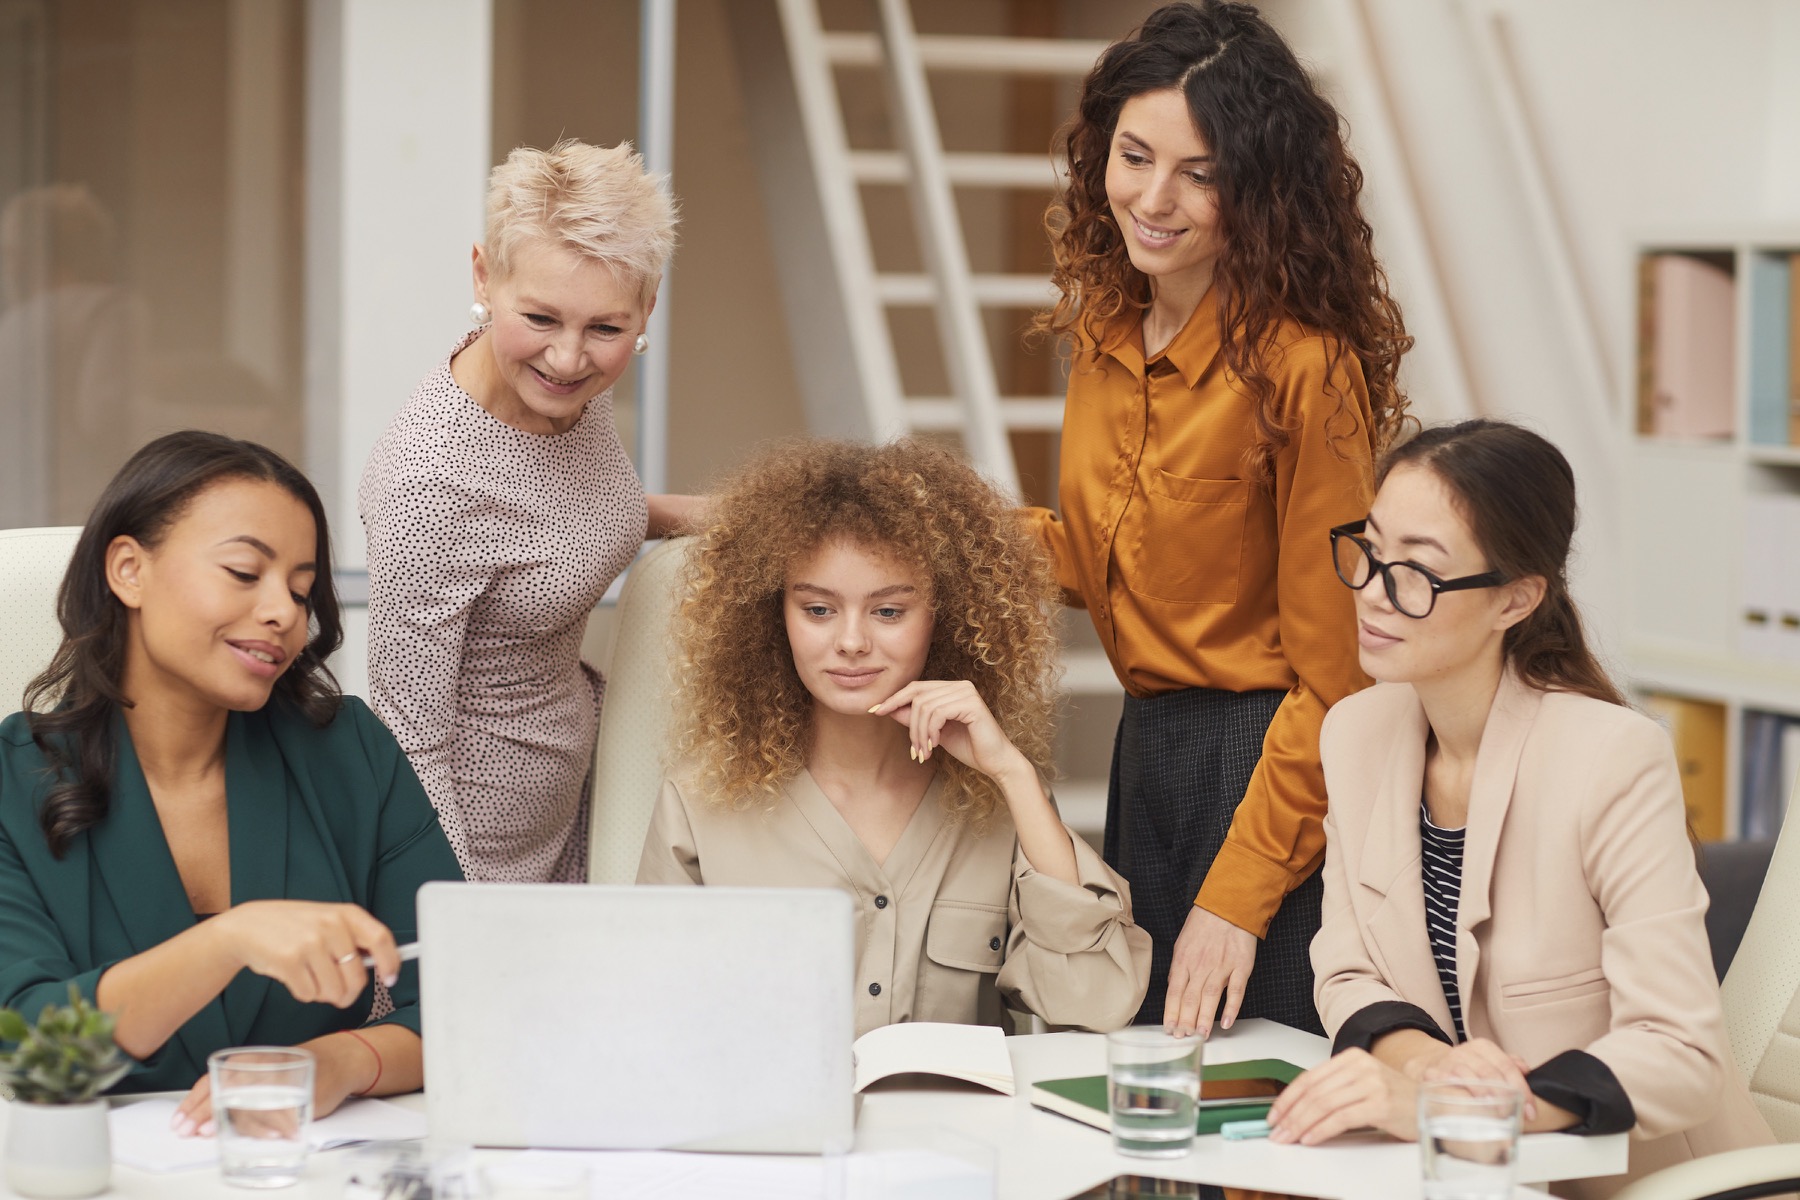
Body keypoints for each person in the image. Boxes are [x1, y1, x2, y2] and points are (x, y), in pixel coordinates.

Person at [1027, 0, 1411, 1035]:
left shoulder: (1303, 366)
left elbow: (1339, 674)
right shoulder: (1107, 331)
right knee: (1143, 1090)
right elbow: (1099, 559)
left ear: (1261, 186)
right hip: (1146, 753)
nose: (1154, 198)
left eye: (1199, 173)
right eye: (1134, 155)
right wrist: (895, 527)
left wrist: (1239, 899)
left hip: (1269, 770)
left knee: (1247, 1128)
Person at [1265, 420, 1773, 1193]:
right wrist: (1433, 1067)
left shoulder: (1611, 757)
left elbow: (1679, 1051)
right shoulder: (1356, 734)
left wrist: (1461, 1111)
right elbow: (1347, 970)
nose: (1372, 591)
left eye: (1417, 572)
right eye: (1368, 550)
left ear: (1515, 600)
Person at [0, 431, 462, 1130]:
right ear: (128, 570)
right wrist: (227, 942)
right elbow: (29, 1057)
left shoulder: (349, 750)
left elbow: (466, 1000)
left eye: (302, 590)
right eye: (245, 573)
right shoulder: (11, 777)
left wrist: (338, 1063)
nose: (284, 613)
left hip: (300, 1169)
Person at [637, 439, 1151, 1038]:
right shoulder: (700, 801)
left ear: (944, 616)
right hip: (776, 1132)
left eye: (888, 612)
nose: (852, 642)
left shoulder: (1001, 802)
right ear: (775, 615)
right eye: (819, 610)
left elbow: (1094, 1007)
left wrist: (1013, 774)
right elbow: (652, 1022)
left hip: (958, 1133)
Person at [360, 139, 703, 883]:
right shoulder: (430, 487)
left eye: (607, 330)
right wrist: (462, 924)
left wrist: (713, 516)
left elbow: (551, 518)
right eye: (541, 318)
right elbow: (408, 745)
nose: (569, 358)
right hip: (478, 854)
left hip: (580, 804)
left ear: (647, 305)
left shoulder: (569, 387)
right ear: (485, 274)